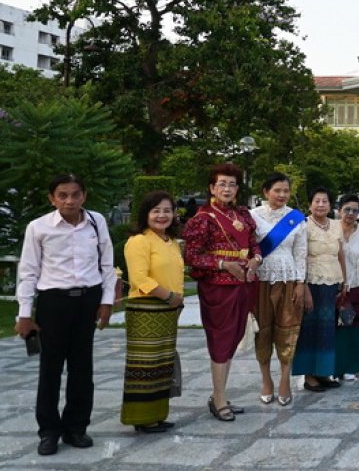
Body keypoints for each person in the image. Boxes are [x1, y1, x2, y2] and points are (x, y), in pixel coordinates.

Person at [16, 174, 117, 456]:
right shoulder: (38, 228)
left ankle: (76, 427)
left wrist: (106, 302)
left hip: (87, 300)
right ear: (52, 198)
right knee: (50, 368)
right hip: (53, 303)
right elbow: (27, 272)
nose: (69, 200)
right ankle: (49, 431)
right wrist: (24, 314)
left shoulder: (96, 222)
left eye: (75, 194)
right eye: (62, 195)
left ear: (84, 195)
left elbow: (107, 264)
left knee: (82, 368)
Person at [182, 163, 261, 422]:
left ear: (238, 188)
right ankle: (218, 399)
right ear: (212, 188)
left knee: (233, 338)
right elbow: (192, 256)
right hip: (218, 287)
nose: (227, 189)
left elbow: (253, 245)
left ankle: (221, 395)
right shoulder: (202, 219)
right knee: (220, 340)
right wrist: (223, 264)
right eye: (222, 184)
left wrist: (255, 260)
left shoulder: (243, 215)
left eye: (232, 184)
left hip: (244, 283)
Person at [121, 191, 185, 432]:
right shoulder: (139, 241)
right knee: (145, 365)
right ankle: (141, 418)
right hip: (146, 309)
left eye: (167, 210)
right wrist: (169, 297)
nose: (162, 215)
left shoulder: (171, 242)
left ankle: (157, 414)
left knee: (162, 363)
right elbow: (139, 279)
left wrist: (176, 301)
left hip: (168, 310)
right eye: (156, 210)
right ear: (145, 214)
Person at [250, 172, 307, 406]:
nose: (282, 195)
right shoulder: (252, 217)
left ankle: (285, 379)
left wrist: (301, 283)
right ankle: (266, 380)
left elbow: (301, 253)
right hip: (260, 282)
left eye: (286, 191)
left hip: (289, 281)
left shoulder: (296, 218)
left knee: (287, 330)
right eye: (277, 190)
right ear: (266, 192)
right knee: (262, 332)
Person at [293, 188, 348, 393]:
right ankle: (309, 376)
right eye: (317, 201)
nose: (321, 205)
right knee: (310, 329)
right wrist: (304, 285)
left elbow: (341, 254)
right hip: (312, 283)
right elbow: (300, 257)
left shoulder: (336, 225)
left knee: (328, 331)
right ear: (310, 204)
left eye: (325, 201)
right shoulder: (303, 226)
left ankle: (323, 372)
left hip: (332, 282)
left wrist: (345, 281)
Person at [334, 194, 359, 382]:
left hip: (357, 285)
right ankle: (335, 367)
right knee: (338, 329)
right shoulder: (332, 230)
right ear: (339, 210)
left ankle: (353, 366)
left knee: (358, 329)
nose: (350, 214)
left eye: (355, 210)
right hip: (335, 286)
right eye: (347, 210)